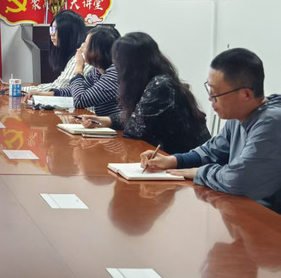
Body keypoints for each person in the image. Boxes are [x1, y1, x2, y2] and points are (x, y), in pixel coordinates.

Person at [141, 48, 281, 213]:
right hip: (244, 208)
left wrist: (198, 172)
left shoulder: (271, 123)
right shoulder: (241, 114)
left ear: (246, 94)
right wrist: (173, 160)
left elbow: (238, 179)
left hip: (268, 219)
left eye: (216, 94)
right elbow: (213, 150)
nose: (210, 99)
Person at [80, 32, 210, 154]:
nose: (115, 66)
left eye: (118, 61)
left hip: (186, 160)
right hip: (168, 156)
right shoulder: (152, 80)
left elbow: (135, 130)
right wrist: (105, 120)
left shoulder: (160, 85)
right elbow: (138, 116)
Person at [37, 25, 121, 116]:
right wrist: (44, 94)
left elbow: (80, 101)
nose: (81, 49)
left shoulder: (114, 74)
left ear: (96, 51)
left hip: (115, 125)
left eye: (85, 44)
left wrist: (79, 69)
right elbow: (76, 90)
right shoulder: (97, 71)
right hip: (101, 122)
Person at [26, 10, 89, 93]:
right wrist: (21, 89)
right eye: (51, 29)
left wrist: (21, 89)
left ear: (69, 32)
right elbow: (56, 85)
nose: (52, 34)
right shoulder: (76, 54)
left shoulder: (80, 56)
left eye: (56, 29)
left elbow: (58, 88)